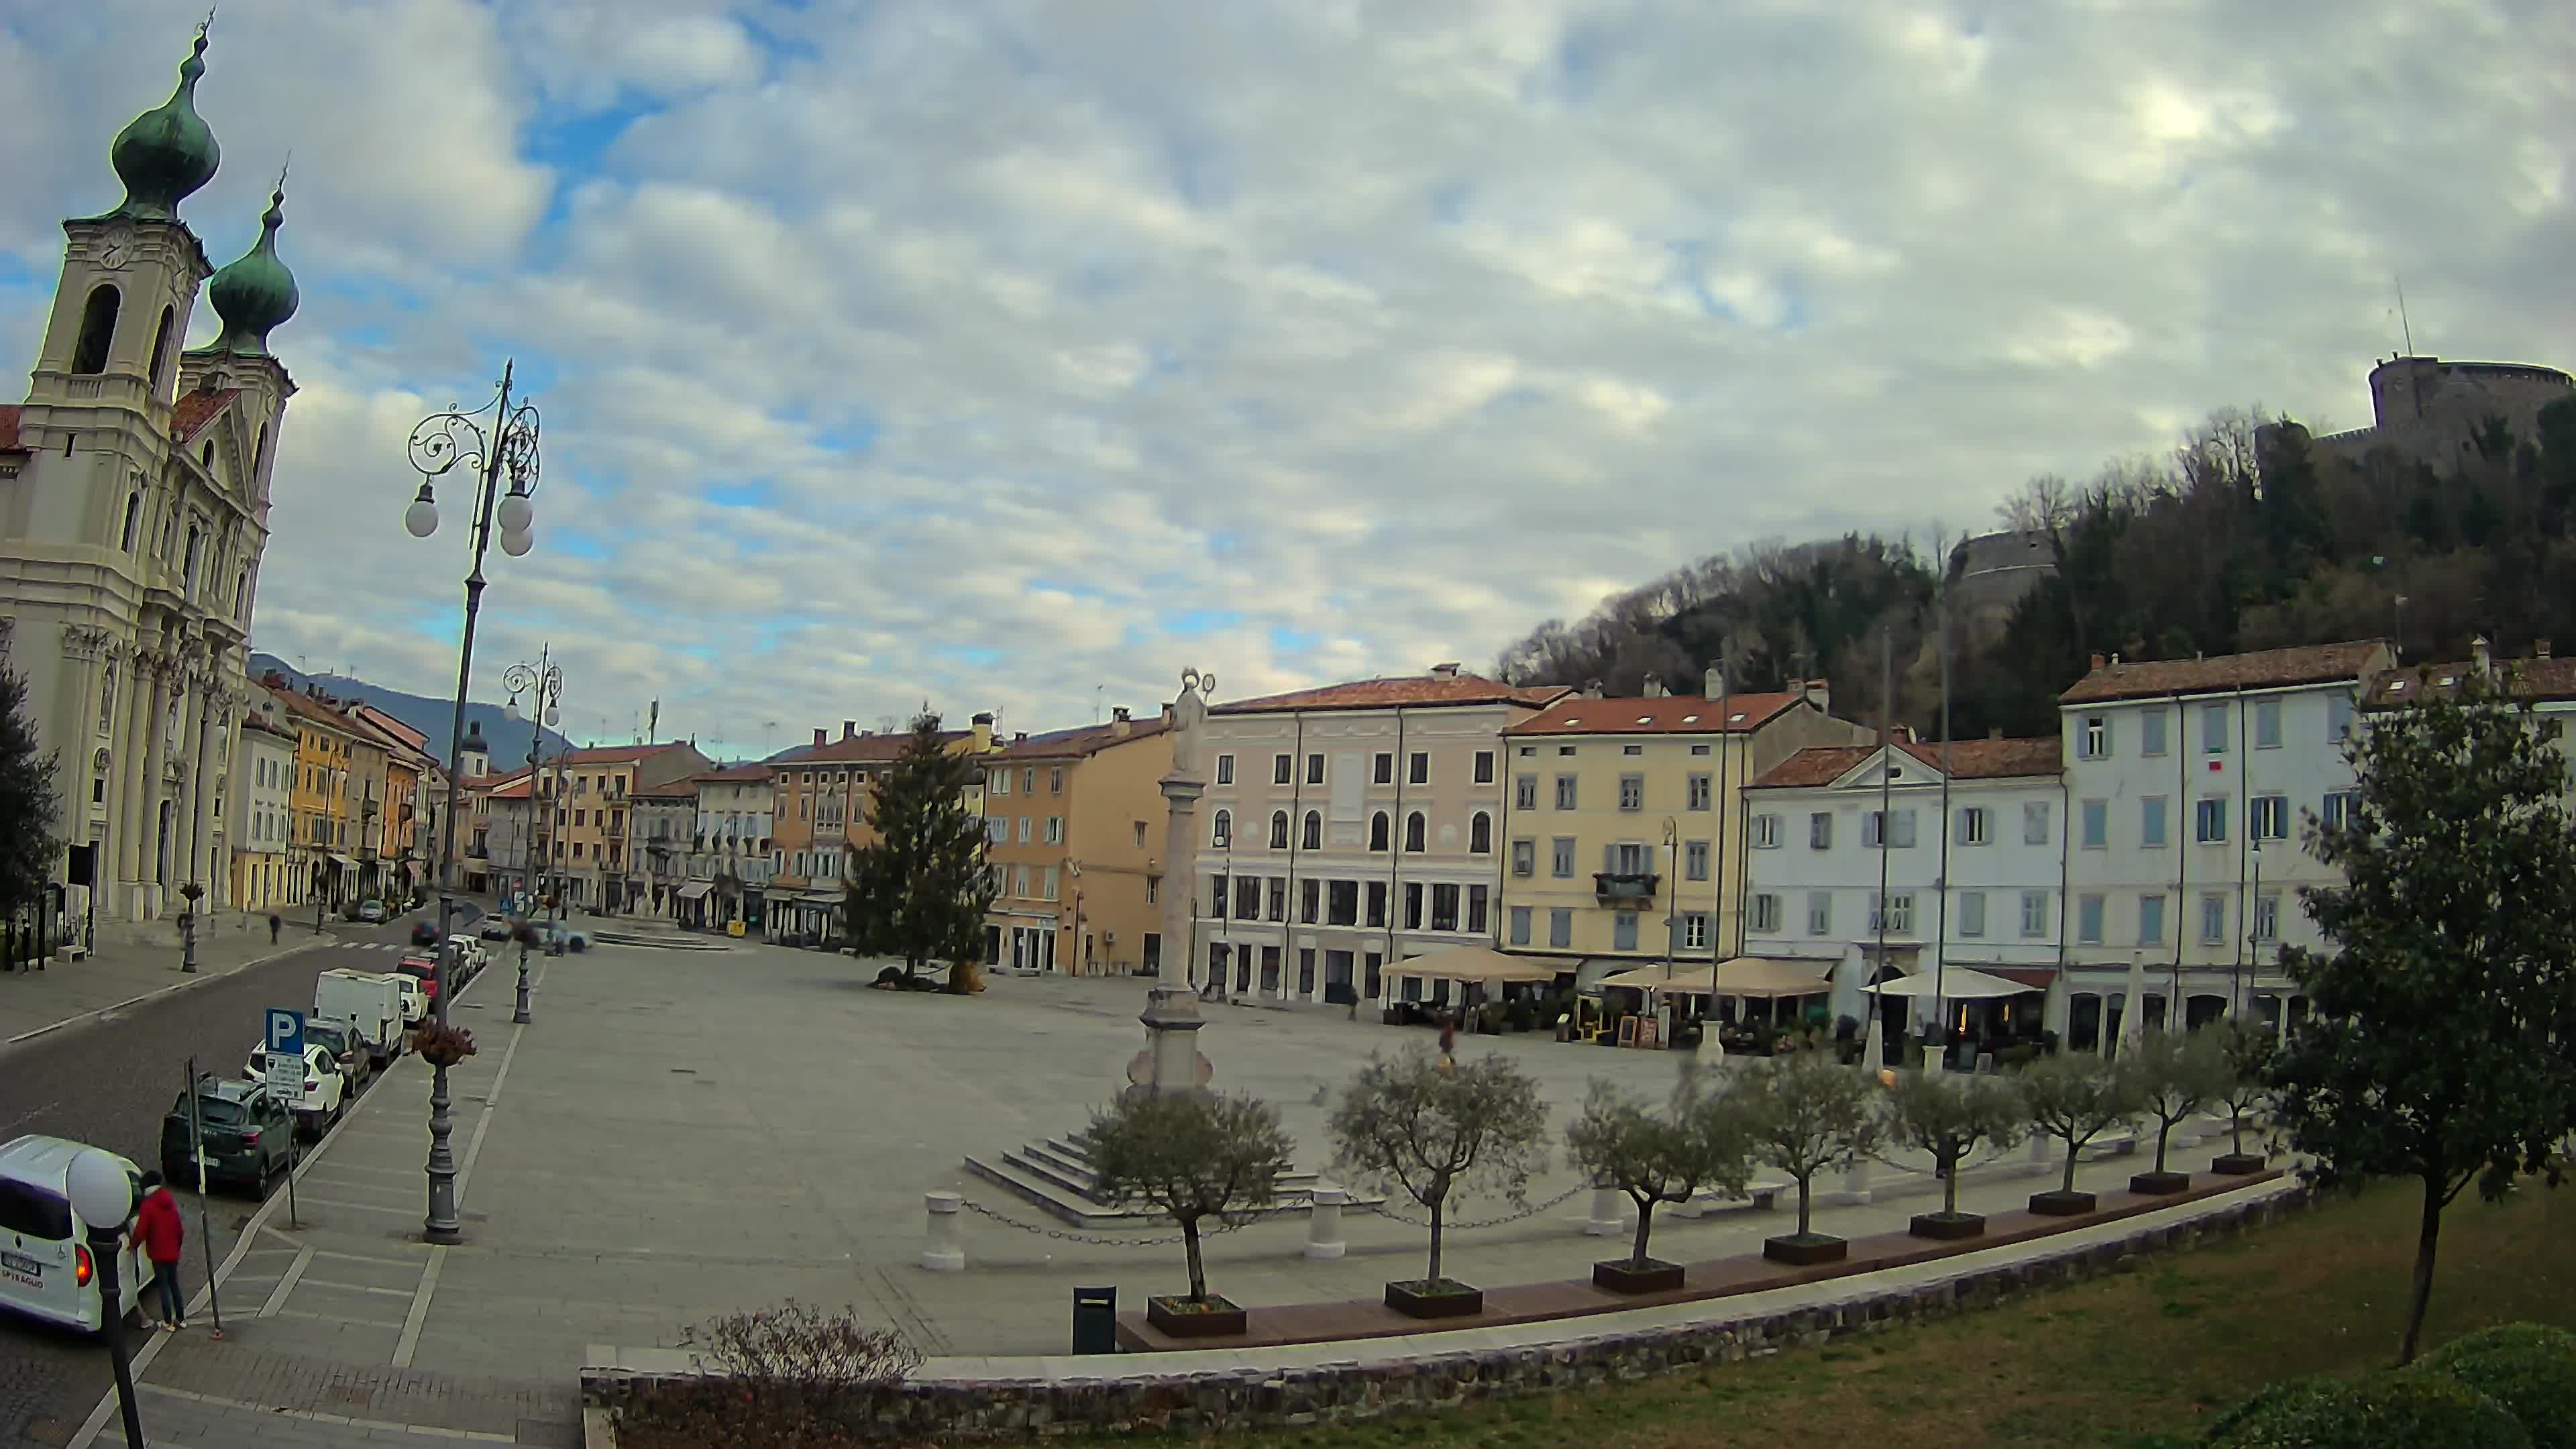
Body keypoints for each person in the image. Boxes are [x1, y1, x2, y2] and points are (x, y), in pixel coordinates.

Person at [133, 1171, 186, 1331]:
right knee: (174, 1285)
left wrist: (132, 1245)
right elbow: (180, 1230)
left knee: (163, 1287)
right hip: (173, 1252)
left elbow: (141, 1231)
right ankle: (181, 1319)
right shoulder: (169, 1201)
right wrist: (177, 1247)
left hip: (158, 1253)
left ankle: (168, 1321)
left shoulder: (148, 1206)